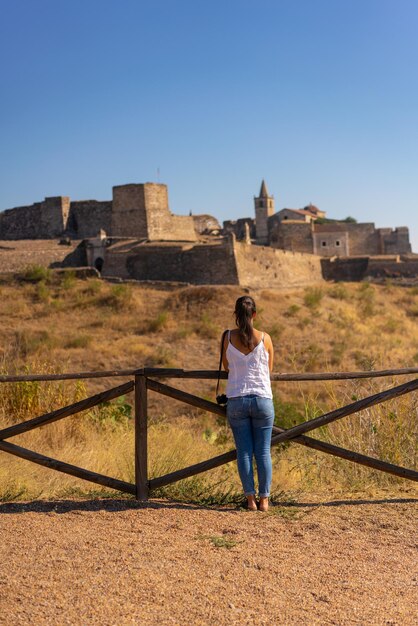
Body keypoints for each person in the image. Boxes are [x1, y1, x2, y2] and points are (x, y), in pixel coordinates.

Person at [221, 295, 275, 512]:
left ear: (236, 315)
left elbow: (227, 367)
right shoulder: (266, 338)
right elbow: (269, 370)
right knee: (263, 451)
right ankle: (265, 500)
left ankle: (250, 500)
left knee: (244, 451)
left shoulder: (227, 337)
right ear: (254, 314)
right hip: (262, 399)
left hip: (237, 399)